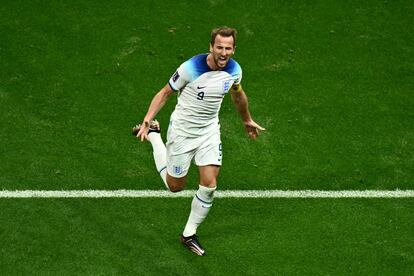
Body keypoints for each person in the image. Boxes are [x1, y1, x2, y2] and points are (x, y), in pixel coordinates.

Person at [133, 27, 265, 256]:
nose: (224, 53)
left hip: (209, 132)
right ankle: (156, 136)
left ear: (234, 49)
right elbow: (165, 92)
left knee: (210, 184)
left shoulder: (235, 71)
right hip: (182, 132)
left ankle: (188, 234)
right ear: (211, 47)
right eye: (219, 47)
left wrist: (247, 120)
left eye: (228, 48)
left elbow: (238, 95)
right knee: (175, 187)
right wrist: (148, 119)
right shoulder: (190, 68)